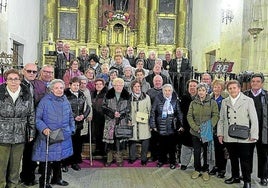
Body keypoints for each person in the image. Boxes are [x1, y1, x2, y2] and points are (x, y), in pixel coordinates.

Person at [32, 79, 75, 188]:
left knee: (59, 158)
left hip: (63, 134)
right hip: (49, 135)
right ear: (51, 89)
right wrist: (44, 128)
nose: (59, 90)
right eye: (56, 88)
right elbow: (37, 118)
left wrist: (71, 129)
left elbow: (70, 116)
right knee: (47, 160)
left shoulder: (65, 100)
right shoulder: (45, 101)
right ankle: (44, 182)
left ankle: (57, 179)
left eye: (61, 88)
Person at [217, 80, 258, 188]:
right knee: (233, 158)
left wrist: (254, 135)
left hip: (244, 136)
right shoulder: (225, 102)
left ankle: (247, 181)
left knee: (245, 159)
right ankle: (235, 177)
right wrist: (220, 134)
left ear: (239, 89)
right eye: (230, 88)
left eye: (234, 88)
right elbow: (221, 119)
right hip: (229, 135)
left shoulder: (248, 100)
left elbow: (254, 119)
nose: (232, 90)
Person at [0, 69, 35, 188]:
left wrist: (31, 132)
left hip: (20, 133)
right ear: (6, 81)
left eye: (16, 79)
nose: (13, 81)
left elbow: (31, 114)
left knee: (16, 164)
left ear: (20, 80)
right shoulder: (0, 93)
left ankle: (13, 185)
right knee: (1, 164)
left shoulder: (26, 94)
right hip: (2, 134)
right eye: (10, 79)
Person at [20, 63, 47, 186]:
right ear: (23, 71)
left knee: (31, 150)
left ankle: (28, 176)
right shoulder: (18, 84)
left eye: (34, 72)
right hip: (21, 123)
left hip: (35, 122)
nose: (31, 73)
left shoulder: (40, 84)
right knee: (20, 152)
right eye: (29, 71)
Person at [187, 82, 219, 181]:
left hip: (207, 131)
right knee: (196, 151)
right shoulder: (193, 103)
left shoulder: (212, 102)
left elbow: (215, 115)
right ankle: (197, 169)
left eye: (203, 90)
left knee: (206, 152)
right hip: (195, 132)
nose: (201, 92)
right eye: (199, 90)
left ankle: (205, 170)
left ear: (207, 91)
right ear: (197, 91)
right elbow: (189, 116)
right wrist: (196, 127)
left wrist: (208, 127)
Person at [150, 84, 183, 169]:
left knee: (172, 146)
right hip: (160, 125)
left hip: (172, 125)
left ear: (172, 91)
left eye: (169, 90)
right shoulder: (158, 99)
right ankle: (161, 160)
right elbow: (153, 112)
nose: (167, 92)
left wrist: (181, 125)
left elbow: (179, 113)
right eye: (165, 90)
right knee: (161, 145)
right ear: (163, 91)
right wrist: (153, 125)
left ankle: (172, 162)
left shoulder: (175, 100)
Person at [244, 73, 268, 186]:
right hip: (248, 131)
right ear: (250, 83)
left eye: (258, 81)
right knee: (247, 155)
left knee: (263, 155)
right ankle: (247, 179)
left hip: (263, 130)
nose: (255, 83)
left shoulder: (267, 96)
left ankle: (263, 177)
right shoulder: (244, 95)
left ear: (262, 83)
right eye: (253, 81)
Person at [102, 78, 131, 167]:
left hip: (122, 121)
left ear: (123, 86)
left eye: (120, 85)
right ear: (113, 86)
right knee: (109, 142)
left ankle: (119, 160)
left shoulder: (127, 95)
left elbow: (129, 108)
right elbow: (103, 106)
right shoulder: (108, 94)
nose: (118, 87)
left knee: (120, 142)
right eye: (116, 85)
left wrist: (121, 114)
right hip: (110, 121)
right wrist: (112, 113)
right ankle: (109, 159)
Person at [63, 77, 90, 172]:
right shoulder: (65, 95)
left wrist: (83, 116)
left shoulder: (82, 95)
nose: (76, 87)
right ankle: (65, 163)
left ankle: (74, 162)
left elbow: (88, 108)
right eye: (74, 85)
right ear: (70, 85)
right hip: (68, 123)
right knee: (67, 144)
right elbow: (64, 108)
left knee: (77, 144)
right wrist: (74, 116)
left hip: (79, 124)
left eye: (77, 85)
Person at [209, 79, 228, 178]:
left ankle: (222, 169)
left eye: (219, 87)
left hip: (221, 128)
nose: (216, 89)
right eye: (215, 87)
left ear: (222, 88)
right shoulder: (210, 97)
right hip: (212, 127)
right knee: (215, 149)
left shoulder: (225, 99)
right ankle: (216, 166)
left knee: (222, 149)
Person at [128, 80, 151, 166]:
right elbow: (127, 110)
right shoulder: (129, 97)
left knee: (145, 140)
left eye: (138, 86)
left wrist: (146, 119)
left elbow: (149, 110)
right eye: (135, 87)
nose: (137, 88)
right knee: (132, 140)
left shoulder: (146, 97)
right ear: (132, 88)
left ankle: (144, 159)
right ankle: (132, 157)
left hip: (144, 123)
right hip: (132, 122)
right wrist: (128, 119)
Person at [179, 79, 198, 170]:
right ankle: (184, 163)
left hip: (198, 125)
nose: (192, 88)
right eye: (190, 86)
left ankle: (198, 164)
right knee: (186, 145)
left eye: (194, 86)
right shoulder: (184, 97)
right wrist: (181, 125)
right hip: (186, 125)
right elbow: (180, 113)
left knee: (199, 146)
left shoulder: (201, 97)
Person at [146, 75, 163, 162]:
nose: (157, 82)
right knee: (153, 139)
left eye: (159, 81)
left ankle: (161, 156)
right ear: (153, 82)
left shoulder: (165, 91)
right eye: (156, 81)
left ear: (162, 82)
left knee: (162, 139)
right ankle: (153, 156)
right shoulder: (149, 92)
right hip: (152, 118)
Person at [91, 78, 108, 156]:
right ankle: (97, 149)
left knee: (103, 134)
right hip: (95, 117)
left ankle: (103, 151)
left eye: (100, 84)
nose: (98, 86)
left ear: (103, 85)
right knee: (97, 134)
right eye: (97, 84)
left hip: (103, 117)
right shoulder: (93, 93)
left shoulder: (106, 93)